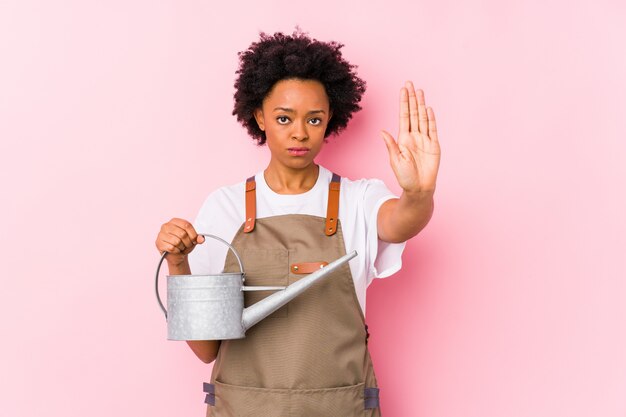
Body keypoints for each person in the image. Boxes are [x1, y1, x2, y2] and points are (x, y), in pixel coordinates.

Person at [155, 29, 441, 417]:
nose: (300, 133)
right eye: (284, 117)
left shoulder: (358, 199)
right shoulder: (225, 207)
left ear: (330, 121)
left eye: (315, 119)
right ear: (259, 116)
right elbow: (207, 348)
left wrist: (419, 193)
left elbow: (400, 222)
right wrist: (177, 262)